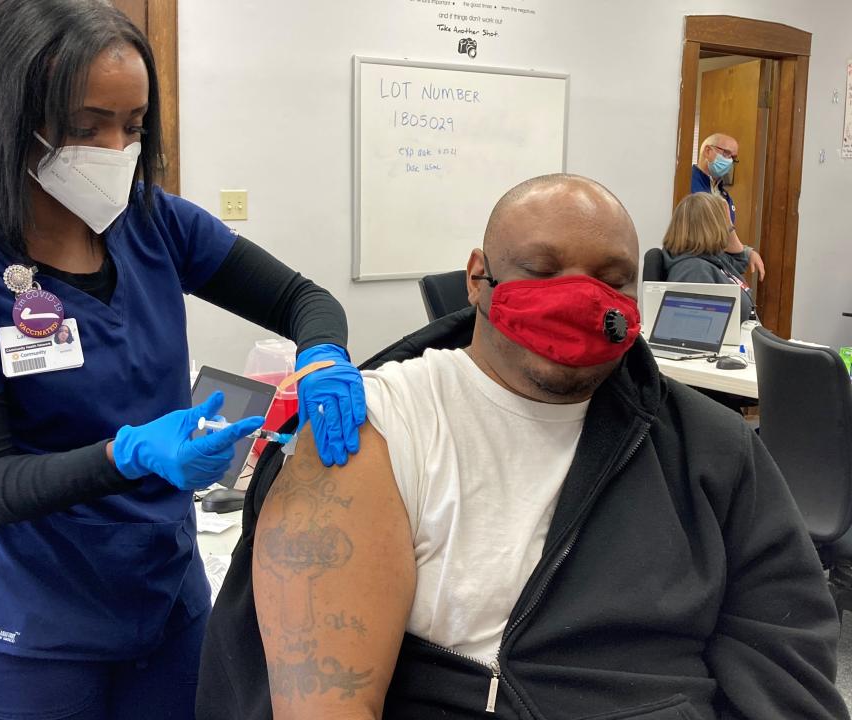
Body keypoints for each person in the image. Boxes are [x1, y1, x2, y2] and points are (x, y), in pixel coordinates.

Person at [197, 174, 848, 720]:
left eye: (612, 279)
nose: (579, 299)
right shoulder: (380, 428)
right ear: (478, 278)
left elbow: (784, 668)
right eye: (541, 271)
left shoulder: (716, 455)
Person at [0, 0, 365, 717]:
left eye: (134, 125)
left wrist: (325, 355)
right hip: (24, 619)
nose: (116, 148)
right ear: (9, 115)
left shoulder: (154, 225)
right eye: (86, 127)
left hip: (160, 590)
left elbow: (303, 298)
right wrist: (127, 455)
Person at [661, 192, 757, 322]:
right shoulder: (694, 270)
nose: (727, 228)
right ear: (710, 227)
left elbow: (740, 259)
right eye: (724, 223)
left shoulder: (713, 258)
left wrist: (728, 225)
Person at [692, 133, 765, 281]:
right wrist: (743, 252)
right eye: (726, 153)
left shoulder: (724, 196)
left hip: (717, 265)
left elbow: (725, 238)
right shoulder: (687, 184)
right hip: (697, 266)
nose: (730, 161)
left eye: (733, 158)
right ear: (707, 151)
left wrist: (747, 252)